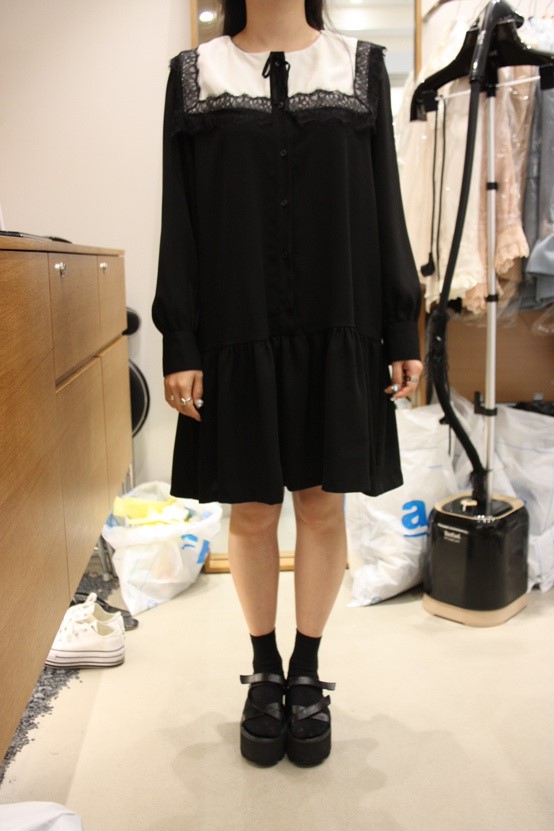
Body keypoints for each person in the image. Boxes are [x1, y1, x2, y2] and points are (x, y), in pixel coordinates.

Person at [152, 0, 423, 768]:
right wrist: (182, 338)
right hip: (235, 328)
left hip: (338, 318)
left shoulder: (359, 68)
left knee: (322, 503)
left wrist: (401, 323)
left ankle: (307, 668)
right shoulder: (196, 75)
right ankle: (263, 667)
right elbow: (179, 213)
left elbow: (385, 200)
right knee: (250, 508)